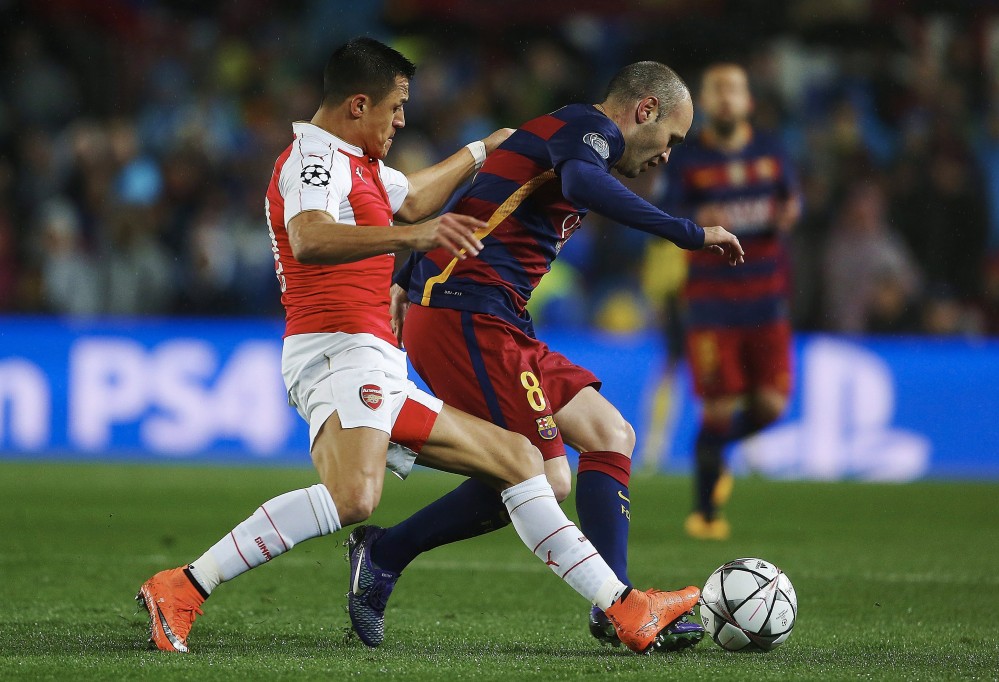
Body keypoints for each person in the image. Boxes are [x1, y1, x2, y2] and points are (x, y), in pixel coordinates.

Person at [135, 38, 703, 656]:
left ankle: (621, 605)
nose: (403, 120)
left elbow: (413, 198)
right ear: (359, 105)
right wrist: (417, 238)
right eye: (396, 106)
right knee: (354, 496)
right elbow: (311, 238)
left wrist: (481, 151)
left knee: (520, 461)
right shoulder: (312, 161)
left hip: (376, 355)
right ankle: (185, 584)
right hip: (337, 349)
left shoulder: (358, 164)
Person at [344, 61, 744, 648]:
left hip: (498, 318)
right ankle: (385, 552)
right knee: (544, 475)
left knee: (611, 434)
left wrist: (408, 273)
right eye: (671, 140)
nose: (666, 156)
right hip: (465, 313)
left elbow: (483, 193)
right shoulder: (589, 130)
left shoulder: (559, 131)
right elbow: (581, 184)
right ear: (645, 110)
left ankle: (614, 603)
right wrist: (687, 232)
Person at [658, 63, 801, 540]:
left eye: (733, 89)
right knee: (718, 409)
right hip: (712, 303)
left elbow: (791, 203)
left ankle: (713, 452)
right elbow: (667, 214)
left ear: (748, 101)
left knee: (772, 405)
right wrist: (699, 217)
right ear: (702, 102)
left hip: (766, 299)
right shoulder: (688, 159)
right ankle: (705, 512)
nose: (724, 97)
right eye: (715, 89)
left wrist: (789, 213)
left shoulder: (771, 151)